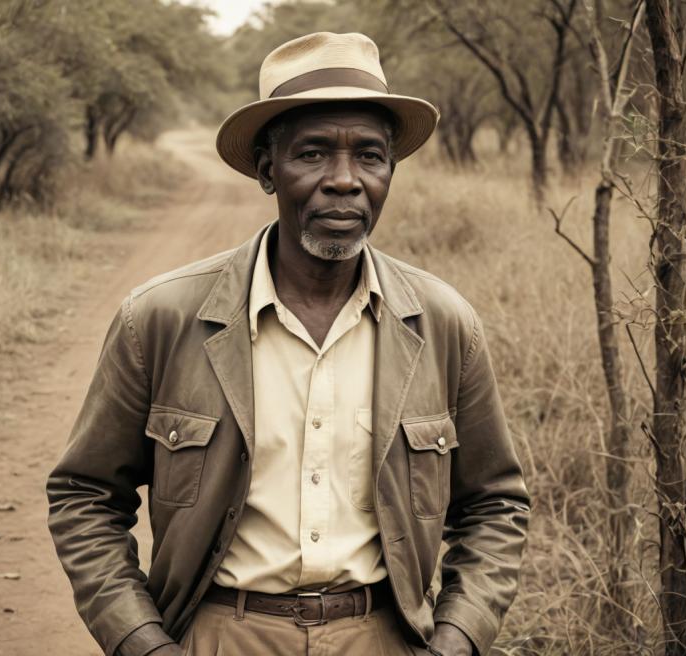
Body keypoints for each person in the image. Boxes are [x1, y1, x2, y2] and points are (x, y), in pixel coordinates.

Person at [47, 31, 530, 656]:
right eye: (313, 154)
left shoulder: (442, 323)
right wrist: (140, 640)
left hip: (385, 635)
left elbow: (494, 505)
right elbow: (84, 495)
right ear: (266, 169)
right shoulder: (161, 318)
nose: (344, 181)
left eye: (370, 156)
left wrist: (458, 637)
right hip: (218, 633)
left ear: (390, 170)